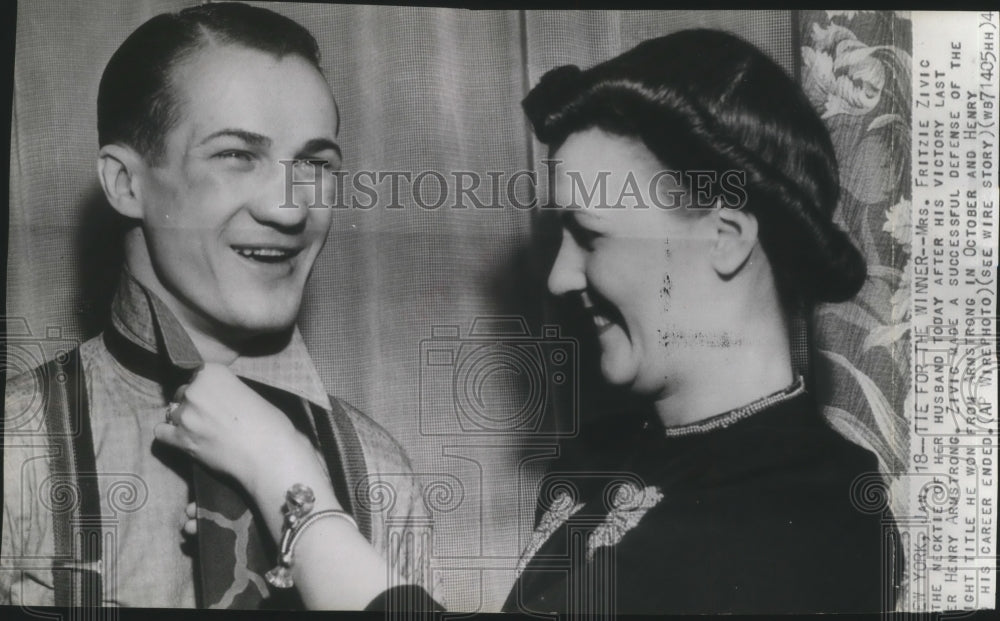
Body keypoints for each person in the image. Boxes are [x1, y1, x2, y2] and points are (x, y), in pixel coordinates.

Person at [156, 28, 901, 614]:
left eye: (591, 234)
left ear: (724, 239)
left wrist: (285, 476)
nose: (559, 275)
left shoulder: (818, 511)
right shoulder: (598, 459)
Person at [2, 3, 429, 609]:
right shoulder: (17, 452)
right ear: (127, 184)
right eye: (236, 156)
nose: (289, 209)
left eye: (314, 164)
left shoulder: (378, 472)